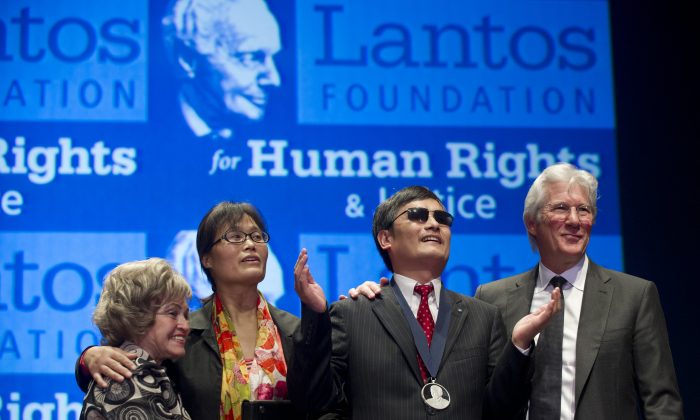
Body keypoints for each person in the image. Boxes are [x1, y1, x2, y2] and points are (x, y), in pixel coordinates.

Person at [293, 186, 561, 419]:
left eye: (442, 219)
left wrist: (519, 346)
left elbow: (501, 412)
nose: (434, 224)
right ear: (386, 238)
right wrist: (316, 315)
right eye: (417, 216)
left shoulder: (484, 317)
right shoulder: (352, 314)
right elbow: (315, 400)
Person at [77, 202, 328, 420]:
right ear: (206, 258)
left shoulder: (295, 330)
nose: (250, 244)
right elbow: (125, 376)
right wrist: (88, 358)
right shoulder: (179, 334)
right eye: (236, 237)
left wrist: (316, 315)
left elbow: (323, 403)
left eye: (257, 236)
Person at [474, 162, 684, 419]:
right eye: (561, 208)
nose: (575, 220)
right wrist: (519, 346)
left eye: (583, 210)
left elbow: (661, 401)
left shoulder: (635, 296)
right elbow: (485, 406)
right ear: (531, 223)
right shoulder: (492, 299)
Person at [79, 258, 192, 419]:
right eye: (172, 313)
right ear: (138, 315)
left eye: (186, 315)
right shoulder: (127, 377)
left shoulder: (150, 371)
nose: (185, 325)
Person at [162, 0, 282, 139]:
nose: (274, 80)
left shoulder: (272, 139)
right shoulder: (157, 131)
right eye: (250, 58)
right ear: (187, 60)